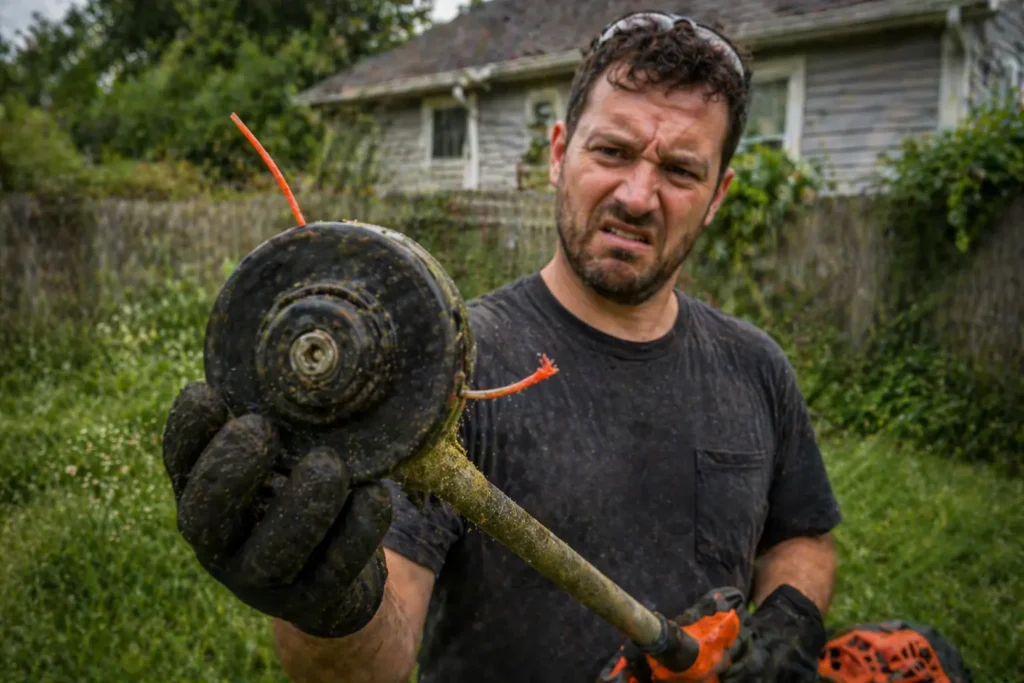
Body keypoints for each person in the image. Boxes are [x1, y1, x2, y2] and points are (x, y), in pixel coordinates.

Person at [161, 11, 846, 683]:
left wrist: (791, 616)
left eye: (680, 170)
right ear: (558, 153)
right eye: (612, 151)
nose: (638, 196)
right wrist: (325, 604)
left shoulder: (756, 367)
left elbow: (802, 537)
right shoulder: (450, 374)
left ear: (718, 193)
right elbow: (374, 659)